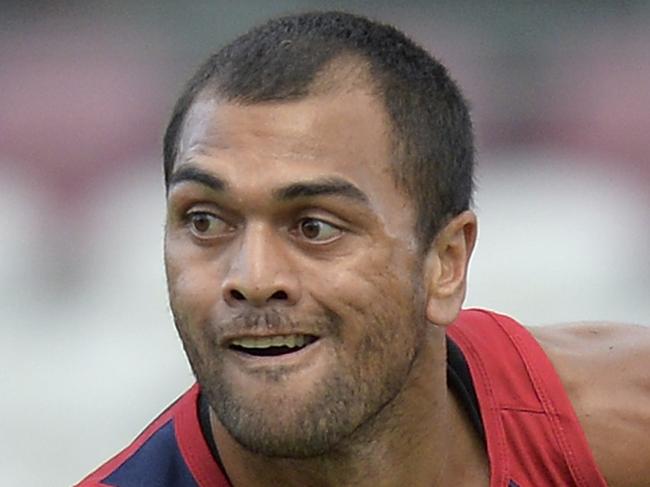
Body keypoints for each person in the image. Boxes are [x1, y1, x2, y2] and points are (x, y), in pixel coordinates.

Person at [76, 11, 649, 487]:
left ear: (445, 263)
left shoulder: (614, 433)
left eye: (315, 226)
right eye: (204, 221)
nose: (251, 277)